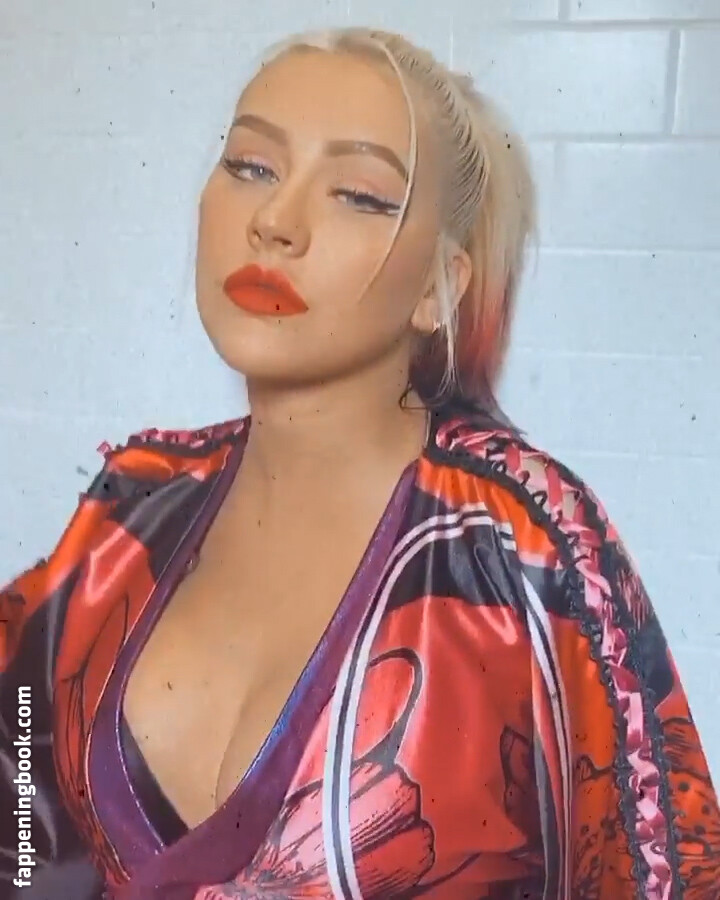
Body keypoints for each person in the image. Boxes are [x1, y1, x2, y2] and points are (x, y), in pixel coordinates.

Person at [1, 24, 718, 900]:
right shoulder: (129, 507)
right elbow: (22, 823)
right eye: (251, 166)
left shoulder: (523, 545)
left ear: (440, 288)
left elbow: (659, 871)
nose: (275, 222)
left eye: (360, 195)